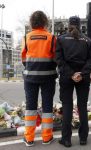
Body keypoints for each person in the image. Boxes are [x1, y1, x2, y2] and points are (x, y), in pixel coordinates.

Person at [56, 16, 91, 147]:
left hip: (67, 78)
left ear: (69, 25)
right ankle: (83, 138)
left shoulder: (61, 39)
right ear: (80, 26)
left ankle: (66, 139)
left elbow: (59, 61)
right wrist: (82, 73)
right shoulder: (88, 40)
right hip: (83, 78)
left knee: (67, 106)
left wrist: (71, 74)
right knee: (82, 107)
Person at [21, 11, 57, 147]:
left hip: (30, 77)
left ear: (32, 22)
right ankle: (47, 137)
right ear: (45, 22)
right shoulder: (52, 38)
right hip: (48, 77)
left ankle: (29, 138)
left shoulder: (26, 38)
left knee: (30, 107)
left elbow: (23, 58)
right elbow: (55, 58)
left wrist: (31, 67)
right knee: (47, 106)